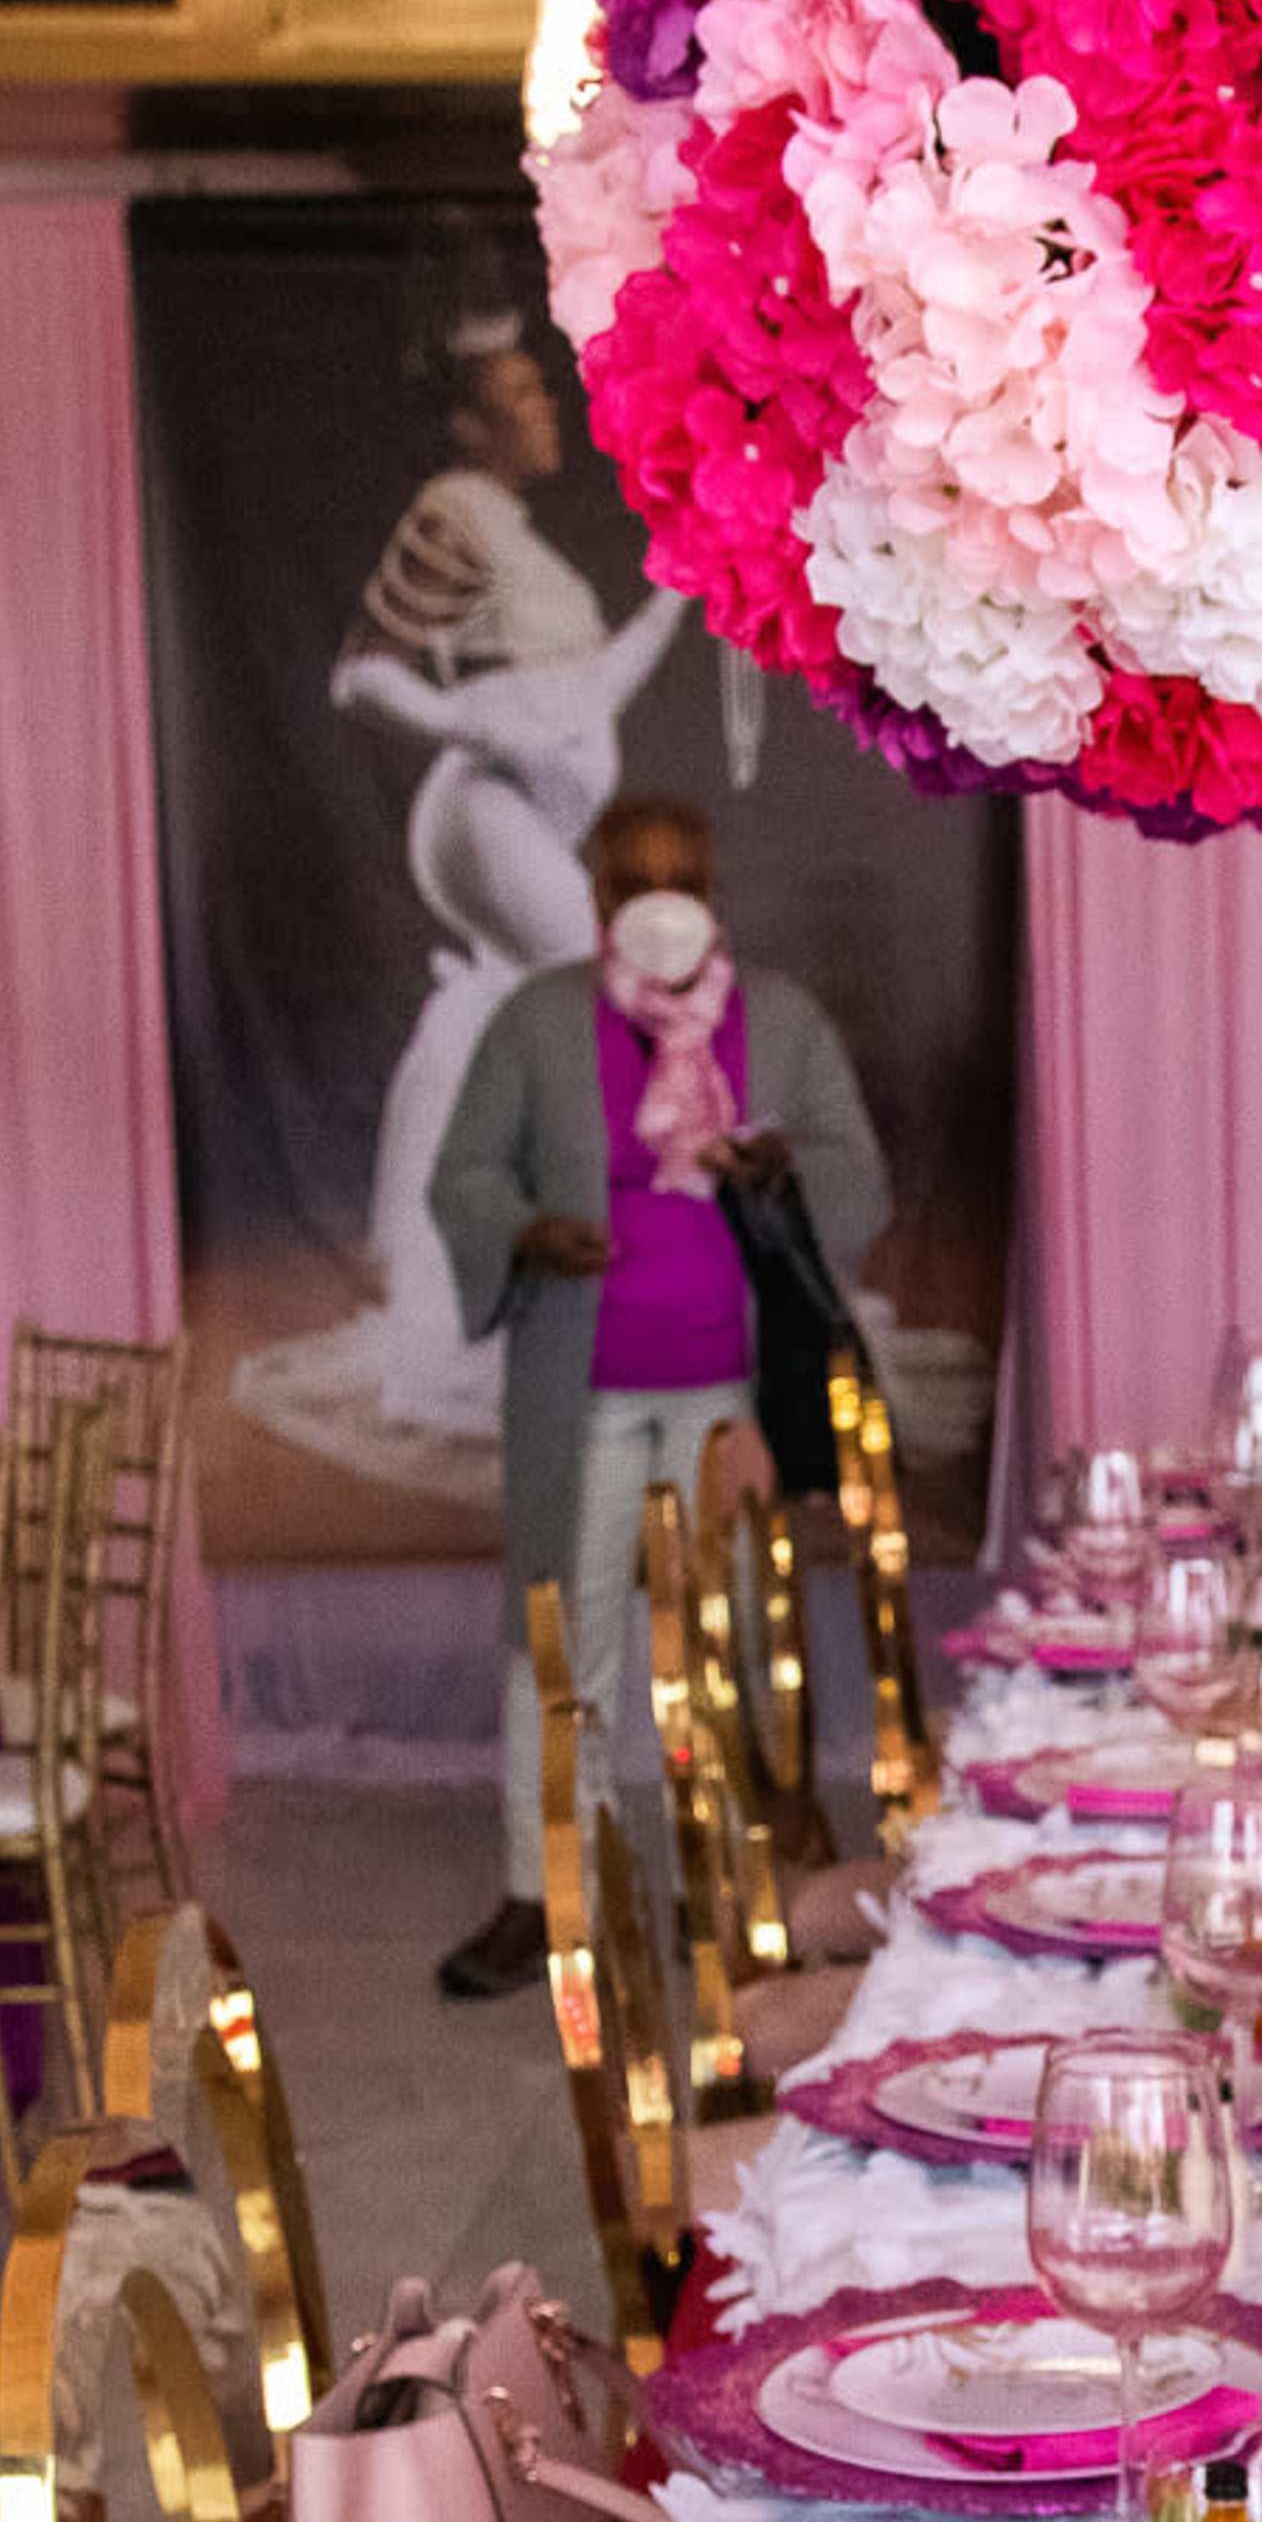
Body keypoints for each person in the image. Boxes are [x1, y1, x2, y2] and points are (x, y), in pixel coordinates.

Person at [425, 787, 888, 2000]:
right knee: (559, 1641)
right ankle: (542, 1891)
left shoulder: (778, 1020)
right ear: (597, 899)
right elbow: (463, 1174)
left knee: (725, 1637)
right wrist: (529, 1231)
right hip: (578, 1391)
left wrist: (782, 1168)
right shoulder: (537, 1021)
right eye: (635, 882)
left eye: (683, 880)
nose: (660, 902)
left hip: (728, 1391)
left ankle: (717, 1874)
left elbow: (858, 1174)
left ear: (714, 894)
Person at [317, 313, 687, 1454]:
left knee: (541, 1026)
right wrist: (471, 723)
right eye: (519, 393)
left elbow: (591, 693)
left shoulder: (519, 539)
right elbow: (362, 672)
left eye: (542, 387)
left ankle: (531, 1297)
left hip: (530, 813)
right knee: (594, 1009)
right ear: (470, 425)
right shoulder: (456, 510)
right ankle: (500, 1313)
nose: (545, 407)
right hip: (482, 813)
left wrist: (680, 587)